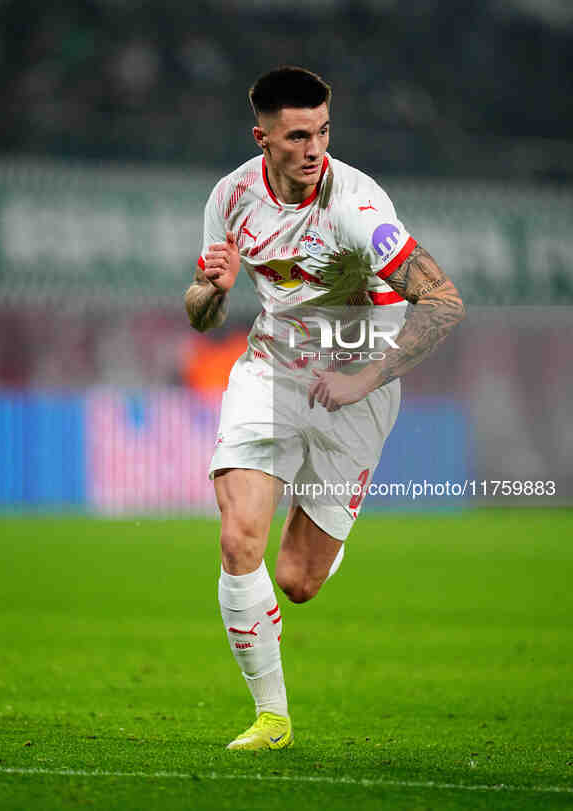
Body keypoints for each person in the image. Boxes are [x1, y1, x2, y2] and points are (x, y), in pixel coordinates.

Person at [184, 66, 465, 751]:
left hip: (353, 382)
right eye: (298, 135)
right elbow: (200, 311)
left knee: (296, 580)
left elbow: (443, 301)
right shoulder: (230, 198)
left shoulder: (358, 208)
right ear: (263, 138)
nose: (314, 149)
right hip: (271, 373)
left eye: (324, 131)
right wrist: (212, 290)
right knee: (236, 538)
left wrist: (364, 378)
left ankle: (322, 536)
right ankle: (271, 717)